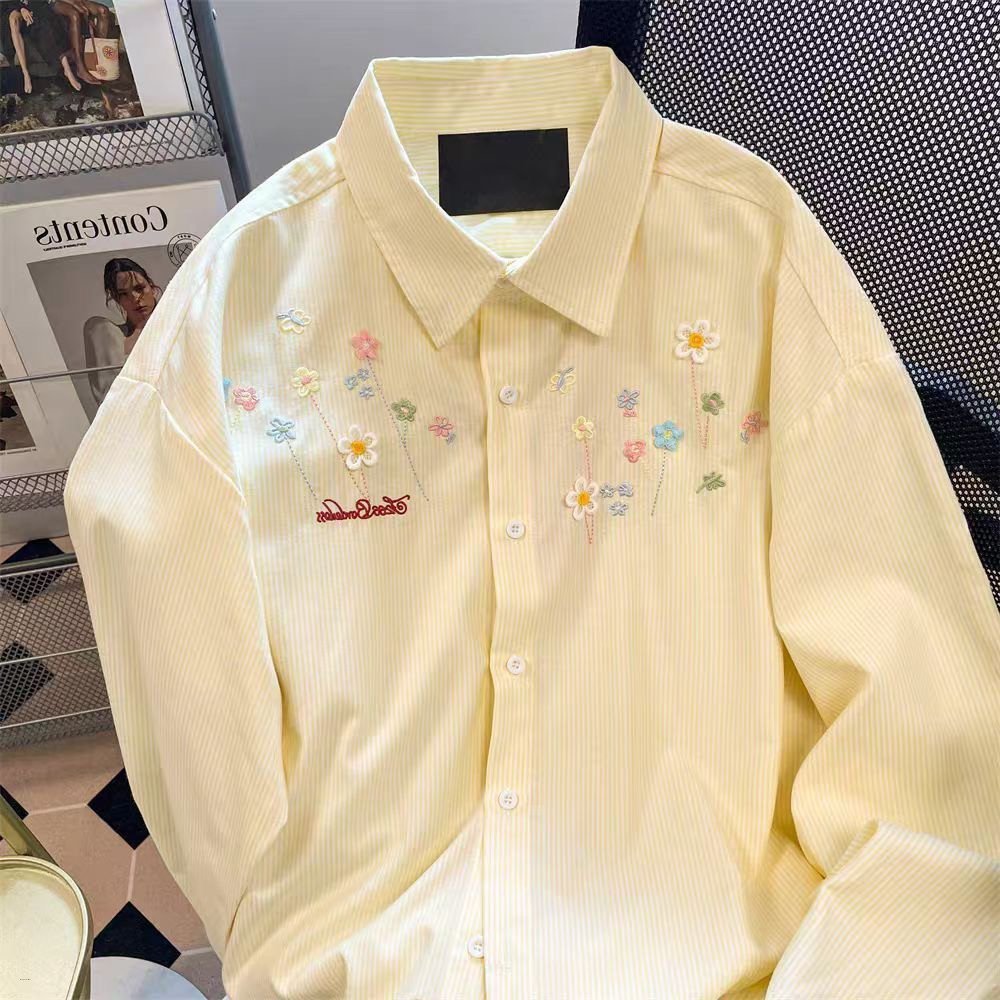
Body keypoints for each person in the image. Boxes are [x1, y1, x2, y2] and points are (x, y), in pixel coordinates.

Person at [83, 257, 161, 405]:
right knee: (97, 326)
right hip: (131, 413)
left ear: (152, 288)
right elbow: (108, 396)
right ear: (116, 299)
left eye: (139, 288)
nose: (135, 298)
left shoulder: (175, 326)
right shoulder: (108, 335)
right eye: (124, 294)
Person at [1, 0, 82, 94]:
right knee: (13, 20)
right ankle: (25, 73)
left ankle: (67, 68)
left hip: (31, 3)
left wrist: (27, 7)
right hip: (10, 5)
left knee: (45, 20)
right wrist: (21, 8)